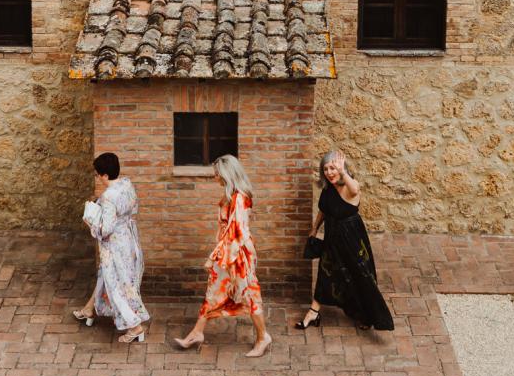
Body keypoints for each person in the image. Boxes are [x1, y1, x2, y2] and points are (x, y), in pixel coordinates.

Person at [173, 154, 272, 357]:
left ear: (227, 175)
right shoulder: (233, 196)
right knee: (214, 292)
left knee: (250, 295)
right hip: (228, 252)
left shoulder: (239, 198)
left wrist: (219, 256)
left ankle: (263, 337)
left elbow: (237, 233)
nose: (215, 178)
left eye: (217, 174)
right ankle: (196, 332)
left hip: (236, 255)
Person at [295, 149, 393, 331]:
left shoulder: (349, 187)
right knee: (326, 272)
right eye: (326, 169)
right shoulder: (328, 188)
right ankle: (313, 312)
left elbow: (355, 189)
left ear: (342, 168)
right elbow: (324, 209)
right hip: (332, 236)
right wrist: (315, 228)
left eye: (333, 168)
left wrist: (343, 171)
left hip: (351, 238)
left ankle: (370, 316)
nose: (329, 172)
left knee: (359, 276)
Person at [73, 152, 150, 343]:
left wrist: (90, 221)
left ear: (105, 175)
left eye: (97, 174)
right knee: (105, 275)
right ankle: (89, 310)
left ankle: (135, 327)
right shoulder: (127, 185)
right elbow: (133, 209)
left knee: (117, 283)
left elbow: (105, 229)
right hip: (129, 239)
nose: (97, 177)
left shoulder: (108, 197)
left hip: (114, 244)